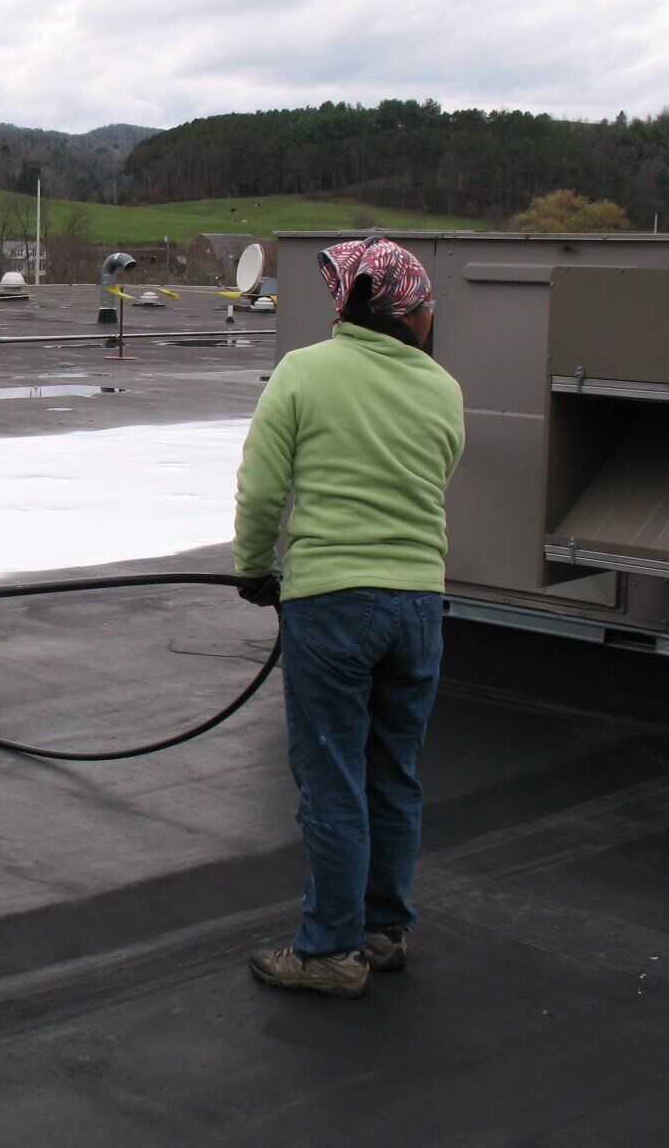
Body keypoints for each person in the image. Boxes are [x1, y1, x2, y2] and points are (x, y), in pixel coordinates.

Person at [232, 236, 465, 999]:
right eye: (428, 305)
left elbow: (263, 488)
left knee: (332, 778)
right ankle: (382, 930)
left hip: (333, 603)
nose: (433, 316)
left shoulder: (306, 371)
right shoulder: (442, 389)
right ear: (406, 311)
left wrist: (254, 570)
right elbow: (437, 479)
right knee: (393, 773)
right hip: (420, 605)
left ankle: (329, 950)